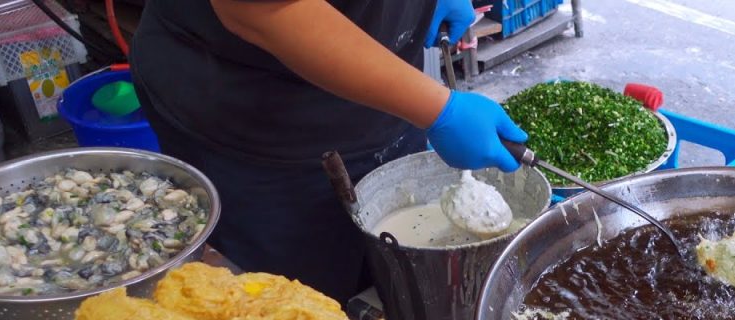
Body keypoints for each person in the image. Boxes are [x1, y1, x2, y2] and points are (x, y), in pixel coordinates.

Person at [130, 0, 527, 303]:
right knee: (302, 306)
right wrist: (438, 110)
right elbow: (261, 10)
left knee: (387, 276)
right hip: (254, 114)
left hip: (382, 87)